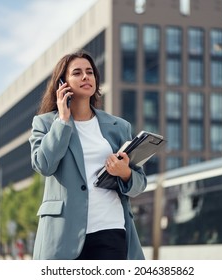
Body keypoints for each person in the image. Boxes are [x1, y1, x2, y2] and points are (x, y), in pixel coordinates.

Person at [29, 50, 147, 260]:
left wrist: (125, 173)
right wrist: (63, 122)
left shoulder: (119, 127)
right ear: (62, 84)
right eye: (77, 73)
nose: (85, 77)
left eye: (90, 72)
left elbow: (140, 183)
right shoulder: (46, 123)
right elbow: (43, 165)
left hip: (111, 228)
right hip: (64, 234)